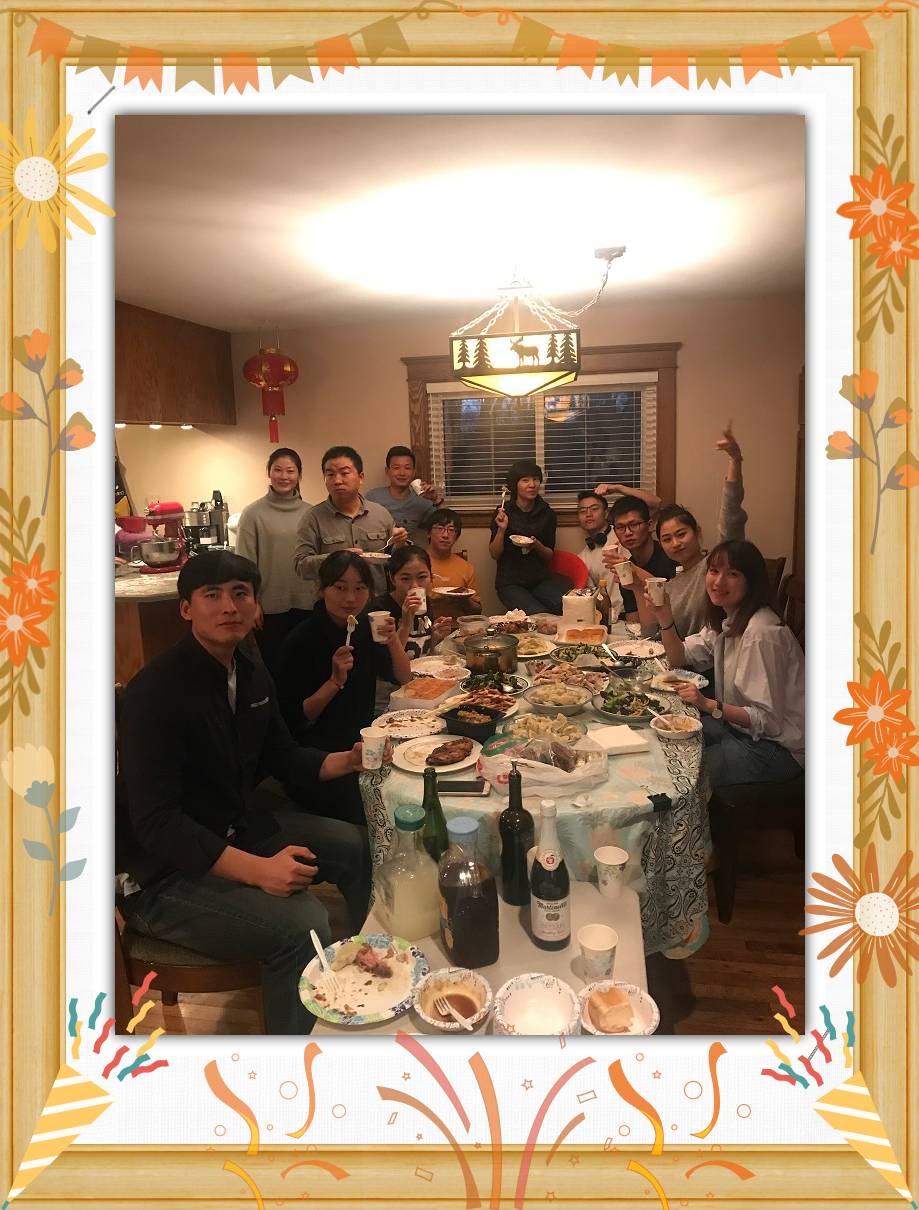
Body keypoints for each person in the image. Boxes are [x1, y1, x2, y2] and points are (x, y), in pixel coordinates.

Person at [116, 552, 372, 1035]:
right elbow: (157, 824)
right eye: (212, 595)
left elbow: (285, 757)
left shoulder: (249, 672)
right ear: (186, 608)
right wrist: (258, 870)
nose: (229, 606)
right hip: (161, 878)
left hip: (235, 829)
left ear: (256, 604)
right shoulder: (156, 691)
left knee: (359, 847)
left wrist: (349, 760)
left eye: (241, 593)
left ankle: (372, 978)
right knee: (305, 926)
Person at [644, 539, 804, 788]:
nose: (718, 582)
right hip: (738, 730)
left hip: (778, 748)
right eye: (714, 571)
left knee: (677, 775)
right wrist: (664, 616)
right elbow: (679, 658)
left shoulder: (760, 633)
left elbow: (766, 720)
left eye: (733, 574)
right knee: (660, 738)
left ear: (752, 582)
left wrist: (706, 703)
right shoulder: (728, 618)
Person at [278, 551, 411, 825]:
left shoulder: (364, 629)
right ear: (321, 588)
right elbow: (296, 719)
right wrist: (334, 682)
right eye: (340, 588)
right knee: (385, 811)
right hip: (322, 760)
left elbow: (403, 677)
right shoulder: (300, 640)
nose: (350, 598)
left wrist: (393, 640)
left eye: (360, 588)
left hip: (364, 746)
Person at [640, 424, 747, 637]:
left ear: (697, 532)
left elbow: (731, 519)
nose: (676, 543)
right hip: (682, 660)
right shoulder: (672, 583)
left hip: (711, 663)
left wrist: (734, 460)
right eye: (667, 539)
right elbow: (653, 634)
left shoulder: (712, 568)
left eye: (681, 534)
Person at [235, 447, 315, 682]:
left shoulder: (310, 513)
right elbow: (244, 564)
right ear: (268, 473)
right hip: (269, 609)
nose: (284, 476)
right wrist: (253, 602)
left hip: (307, 605)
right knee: (275, 672)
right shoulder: (253, 514)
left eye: (290, 471)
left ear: (299, 475)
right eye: (277, 470)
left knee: (305, 670)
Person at [293, 445, 408, 596]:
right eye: (330, 475)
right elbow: (301, 566)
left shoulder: (380, 514)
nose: (337, 480)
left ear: (361, 477)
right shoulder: (313, 518)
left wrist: (400, 544)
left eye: (344, 473)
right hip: (333, 606)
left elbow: (396, 561)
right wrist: (337, 559)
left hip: (376, 604)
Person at [489, 459, 570, 615]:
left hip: (540, 579)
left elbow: (549, 556)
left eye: (535, 479)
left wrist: (536, 545)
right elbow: (494, 553)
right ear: (515, 484)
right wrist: (501, 530)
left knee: (567, 606)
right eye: (525, 480)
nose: (532, 484)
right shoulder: (503, 512)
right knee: (537, 614)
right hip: (510, 582)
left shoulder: (547, 514)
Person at [371, 545, 454, 660]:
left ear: (431, 576)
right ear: (392, 579)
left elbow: (423, 654)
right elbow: (387, 663)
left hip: (422, 673)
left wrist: (435, 637)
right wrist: (405, 624)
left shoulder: (426, 601)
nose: (415, 585)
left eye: (422, 577)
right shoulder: (380, 610)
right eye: (405, 579)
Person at [601, 495, 678, 620]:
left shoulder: (670, 557)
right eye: (620, 527)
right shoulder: (627, 569)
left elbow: (676, 609)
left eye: (634, 524)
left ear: (649, 525)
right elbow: (634, 621)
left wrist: (634, 571)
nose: (627, 532)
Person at [365, 445, 444, 543]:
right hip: (379, 552)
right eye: (396, 468)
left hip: (407, 554)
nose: (402, 473)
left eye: (407, 468)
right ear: (387, 471)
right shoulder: (373, 497)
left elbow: (446, 525)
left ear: (414, 472)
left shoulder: (422, 500)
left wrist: (436, 500)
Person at [574, 491, 623, 619]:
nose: (588, 514)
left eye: (594, 509)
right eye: (583, 511)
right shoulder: (583, 557)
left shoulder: (623, 534)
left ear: (606, 513)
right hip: (610, 617)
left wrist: (616, 487)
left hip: (634, 610)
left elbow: (655, 504)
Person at [424, 507, 482, 615]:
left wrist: (464, 600)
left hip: (459, 627)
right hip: (427, 627)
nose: (445, 535)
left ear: (456, 537)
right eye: (440, 528)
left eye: (451, 530)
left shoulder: (466, 567)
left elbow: (477, 610)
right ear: (428, 533)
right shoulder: (418, 563)